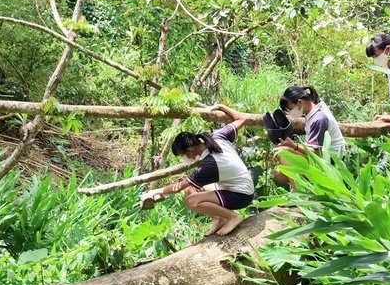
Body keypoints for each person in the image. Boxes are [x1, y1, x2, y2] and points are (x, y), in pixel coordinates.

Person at [139, 104, 254, 237]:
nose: (183, 159)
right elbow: (242, 118)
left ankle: (233, 217)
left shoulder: (209, 165)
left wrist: (156, 191)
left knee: (191, 201)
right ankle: (219, 218)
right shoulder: (217, 136)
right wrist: (221, 107)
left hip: (241, 196)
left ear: (189, 150)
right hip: (241, 186)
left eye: (182, 155)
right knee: (191, 189)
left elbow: (178, 187)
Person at [266, 85, 346, 190]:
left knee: (284, 151)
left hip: (332, 161)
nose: (290, 113)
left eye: (290, 109)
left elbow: (316, 152)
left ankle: (298, 195)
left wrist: (293, 146)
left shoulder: (319, 118)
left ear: (299, 103)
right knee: (279, 174)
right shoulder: (314, 106)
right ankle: (307, 190)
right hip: (323, 156)